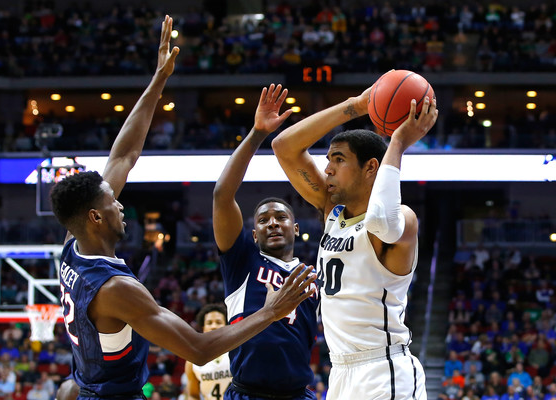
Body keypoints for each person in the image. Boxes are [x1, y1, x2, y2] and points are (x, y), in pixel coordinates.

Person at [50, 17, 315, 400]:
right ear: (95, 217)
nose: (121, 205)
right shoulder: (117, 289)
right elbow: (200, 349)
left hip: (92, 382)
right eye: (112, 203)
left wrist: (158, 80)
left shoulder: (73, 244)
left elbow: (124, 154)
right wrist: (273, 311)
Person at [272, 78, 438, 399]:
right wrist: (357, 106)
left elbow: (381, 221)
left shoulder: (404, 219)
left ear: (370, 167)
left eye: (339, 159)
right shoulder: (334, 213)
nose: (328, 169)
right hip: (340, 371)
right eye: (328, 160)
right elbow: (284, 146)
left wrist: (398, 142)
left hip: (383, 369)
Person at [213, 84, 320, 400]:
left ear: (296, 227)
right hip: (249, 392)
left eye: (280, 217)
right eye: (263, 220)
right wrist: (258, 133)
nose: (272, 222)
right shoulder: (242, 259)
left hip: (298, 393)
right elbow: (222, 195)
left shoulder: (312, 275)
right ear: (254, 233)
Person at [184, 304, 232, 400]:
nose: (213, 326)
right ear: (203, 327)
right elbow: (193, 394)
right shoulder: (192, 360)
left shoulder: (237, 351)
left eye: (218, 322)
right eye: (209, 323)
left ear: (226, 325)